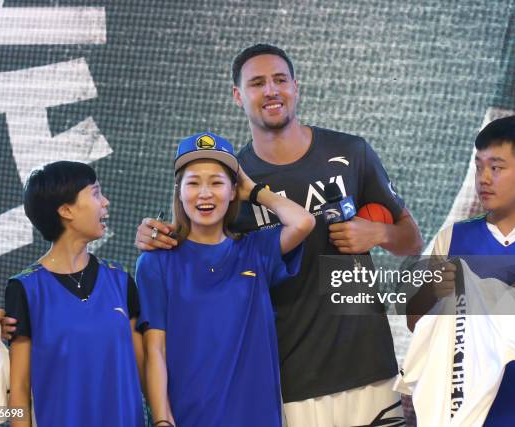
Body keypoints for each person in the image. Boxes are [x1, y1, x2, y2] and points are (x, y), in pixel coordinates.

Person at [136, 44, 423, 426]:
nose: (271, 91)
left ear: (295, 87)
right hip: (290, 379)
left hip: (369, 364)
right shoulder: (232, 183)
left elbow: (412, 240)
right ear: (238, 96)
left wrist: (379, 233)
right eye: (256, 83)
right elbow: (194, 237)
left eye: (279, 80)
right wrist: (153, 234)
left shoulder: (350, 151)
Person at [137, 132, 314, 427]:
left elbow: (303, 221)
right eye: (193, 183)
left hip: (257, 417)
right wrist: (161, 420)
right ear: (178, 191)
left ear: (234, 191)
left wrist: (255, 191)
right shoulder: (156, 262)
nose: (204, 193)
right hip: (189, 416)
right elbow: (155, 350)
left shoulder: (256, 250)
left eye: (217, 182)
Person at [407, 115, 515, 426]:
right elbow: (417, 322)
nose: (483, 178)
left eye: (496, 168)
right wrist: (437, 292)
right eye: (479, 166)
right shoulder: (452, 237)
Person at [5, 161, 144, 427]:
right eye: (95, 193)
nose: (105, 202)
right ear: (66, 210)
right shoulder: (24, 288)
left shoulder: (120, 280)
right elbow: (19, 391)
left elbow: (146, 371)